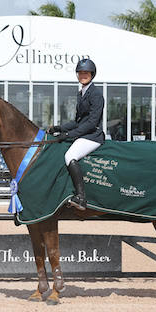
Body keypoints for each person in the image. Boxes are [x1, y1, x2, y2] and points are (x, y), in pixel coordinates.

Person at [48, 58, 105, 210]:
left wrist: (69, 135)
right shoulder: (82, 94)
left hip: (93, 136)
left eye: (86, 73)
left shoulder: (96, 94)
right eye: (80, 73)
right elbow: (78, 121)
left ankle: (81, 197)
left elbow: (92, 123)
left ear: (92, 74)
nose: (83, 75)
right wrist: (60, 128)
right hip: (84, 133)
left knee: (69, 156)